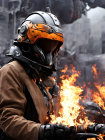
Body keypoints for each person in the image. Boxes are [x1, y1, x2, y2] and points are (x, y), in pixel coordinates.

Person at [0, 11, 70, 140]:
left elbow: (46, 121)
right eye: (45, 45)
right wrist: (44, 132)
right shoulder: (11, 72)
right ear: (27, 41)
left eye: (53, 46)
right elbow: (9, 121)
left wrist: (78, 130)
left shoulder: (38, 78)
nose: (49, 53)